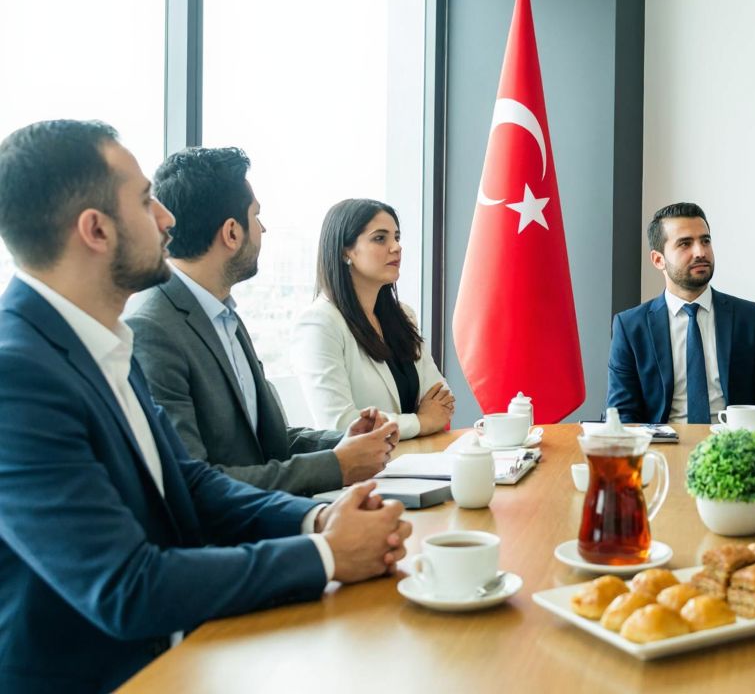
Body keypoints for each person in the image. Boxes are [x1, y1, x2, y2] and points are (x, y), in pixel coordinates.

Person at [0, 120, 411, 692]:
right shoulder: (15, 375)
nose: (167, 218)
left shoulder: (102, 340)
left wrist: (315, 518)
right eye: (146, 201)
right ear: (95, 230)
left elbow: (189, 484)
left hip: (189, 650)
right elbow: (127, 588)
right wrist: (325, 554)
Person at [127, 147, 397, 495]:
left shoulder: (224, 315)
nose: (264, 229)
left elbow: (266, 444)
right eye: (256, 216)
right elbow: (192, 484)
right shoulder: (152, 328)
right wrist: (338, 465)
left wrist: (344, 442)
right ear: (231, 232)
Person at [607, 202, 755, 425]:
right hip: (663, 451)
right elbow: (622, 413)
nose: (700, 252)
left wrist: (746, 446)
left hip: (734, 448)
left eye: (705, 241)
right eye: (685, 244)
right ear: (658, 259)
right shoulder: (630, 326)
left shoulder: (750, 318)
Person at [293, 199, 453, 438]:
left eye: (396, 237)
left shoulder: (404, 314)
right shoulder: (319, 323)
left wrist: (426, 419)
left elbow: (442, 398)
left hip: (419, 462)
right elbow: (340, 423)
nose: (396, 247)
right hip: (364, 472)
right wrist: (420, 422)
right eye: (380, 238)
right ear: (345, 251)